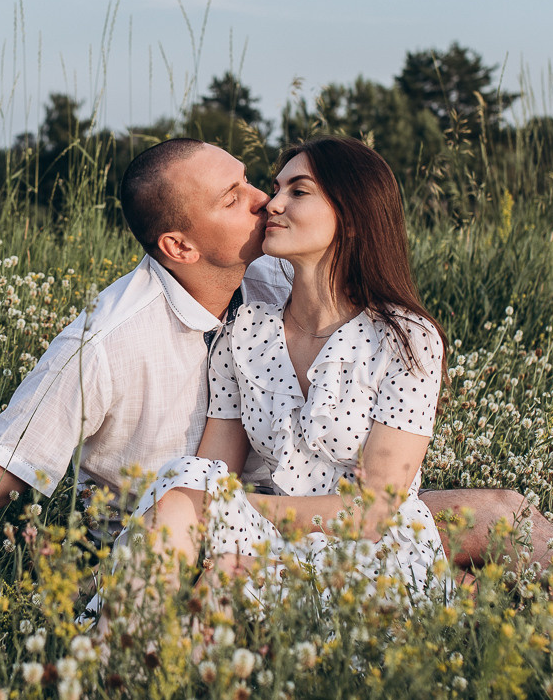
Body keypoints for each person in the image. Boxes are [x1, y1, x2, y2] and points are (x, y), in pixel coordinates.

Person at [0, 136, 553, 591]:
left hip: (286, 513)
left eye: (262, 184)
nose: (265, 203)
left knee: (500, 514)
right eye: (238, 198)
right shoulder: (105, 343)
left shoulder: (268, 276)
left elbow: (353, 296)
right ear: (181, 247)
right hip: (172, 537)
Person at [132, 136, 446, 593]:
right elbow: (213, 469)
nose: (272, 204)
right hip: (271, 540)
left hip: (374, 557)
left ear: (352, 218)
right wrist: (212, 510)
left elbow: (375, 511)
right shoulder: (245, 333)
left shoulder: (406, 339)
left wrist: (232, 508)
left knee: (218, 560)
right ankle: (128, 627)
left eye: (298, 192)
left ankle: (130, 623)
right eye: (277, 188)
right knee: (187, 484)